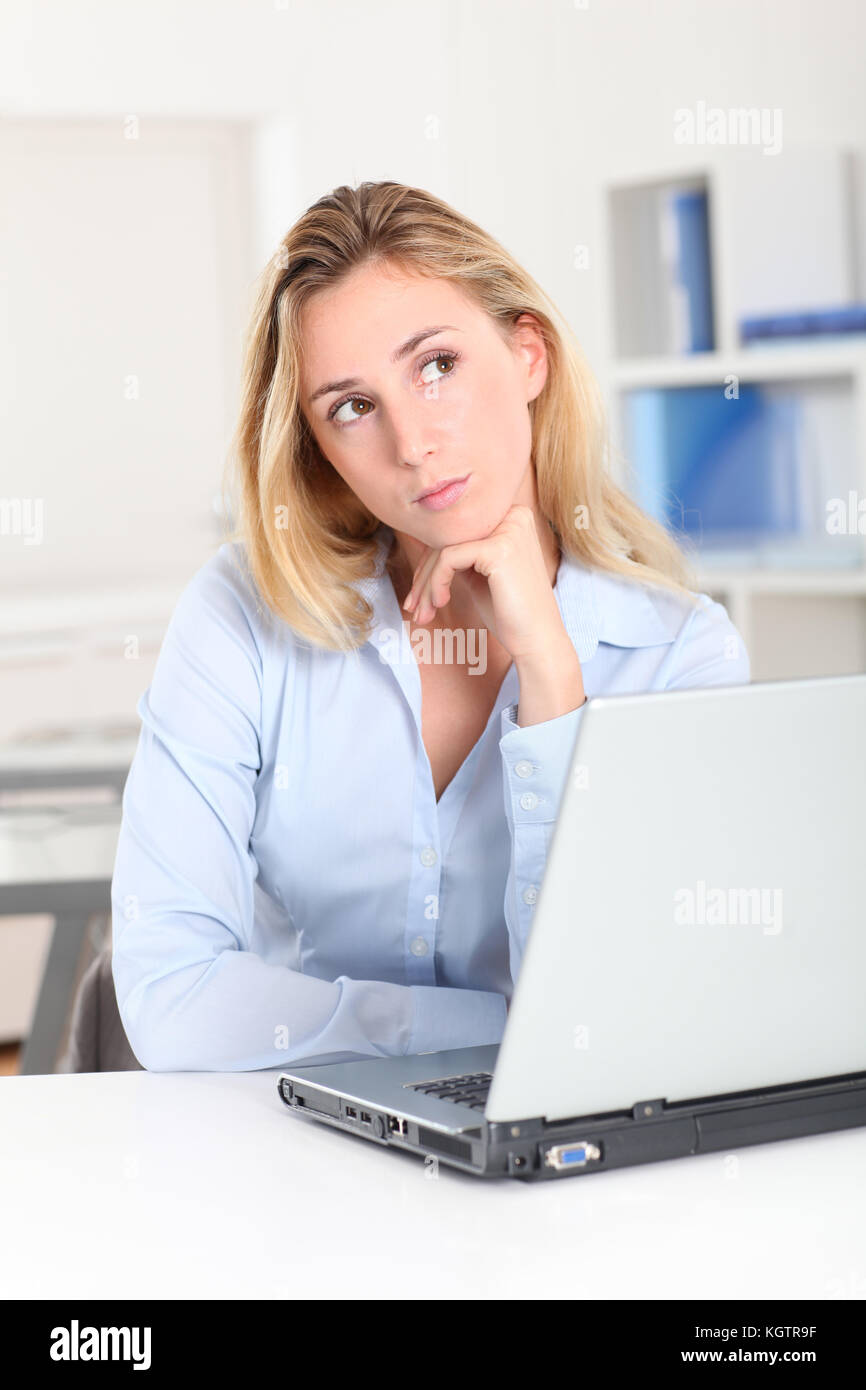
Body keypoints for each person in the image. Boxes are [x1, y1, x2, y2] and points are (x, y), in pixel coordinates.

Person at [111, 181, 749, 1072]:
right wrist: (483, 1030)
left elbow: (638, 1019)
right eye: (352, 407)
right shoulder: (241, 617)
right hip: (293, 1151)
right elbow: (171, 996)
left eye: (437, 365)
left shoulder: (682, 655)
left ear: (529, 356)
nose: (411, 442)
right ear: (319, 453)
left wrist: (554, 683)